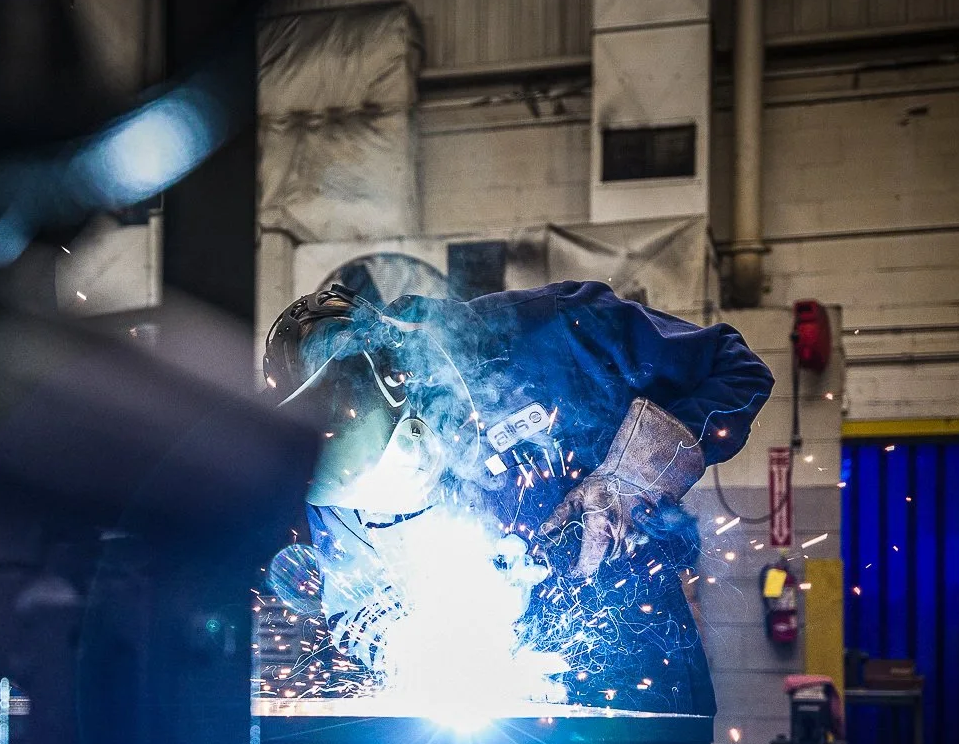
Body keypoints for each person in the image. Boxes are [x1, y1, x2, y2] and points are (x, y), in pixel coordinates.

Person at [262, 279, 772, 715]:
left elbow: (736, 369)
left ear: (403, 380)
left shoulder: (546, 336)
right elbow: (358, 603)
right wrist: (408, 653)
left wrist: (632, 478)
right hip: (506, 723)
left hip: (637, 685)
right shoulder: (324, 478)